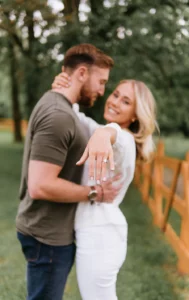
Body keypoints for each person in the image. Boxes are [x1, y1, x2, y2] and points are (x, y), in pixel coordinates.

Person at [16, 43, 122, 300]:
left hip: (48, 231)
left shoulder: (62, 107)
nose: (102, 90)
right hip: (47, 235)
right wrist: (95, 192)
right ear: (82, 73)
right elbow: (40, 185)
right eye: (101, 81)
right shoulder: (58, 115)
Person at [52, 74, 158, 299]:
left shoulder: (125, 140)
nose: (115, 102)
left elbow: (115, 136)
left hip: (100, 235)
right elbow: (78, 117)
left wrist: (104, 133)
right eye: (116, 94)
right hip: (95, 232)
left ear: (135, 116)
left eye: (126, 102)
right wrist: (64, 87)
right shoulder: (99, 130)